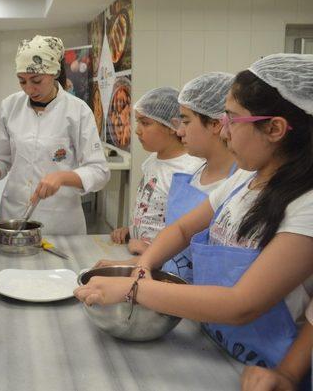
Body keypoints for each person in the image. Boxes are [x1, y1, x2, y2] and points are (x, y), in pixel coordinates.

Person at [77, 54, 313, 368]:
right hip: (214, 344)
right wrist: (145, 265)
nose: (224, 132)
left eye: (231, 119)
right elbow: (183, 229)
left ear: (274, 129)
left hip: (265, 365)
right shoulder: (244, 179)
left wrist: (135, 288)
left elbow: (241, 304)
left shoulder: (305, 205)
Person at [0, 35, 110, 235]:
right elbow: (1, 159)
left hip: (59, 222)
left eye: (36, 80)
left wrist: (62, 177)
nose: (29, 89)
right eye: (22, 81)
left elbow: (99, 172)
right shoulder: (10, 106)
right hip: (14, 218)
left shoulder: (78, 111)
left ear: (54, 73)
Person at [161, 72, 243, 282]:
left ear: (216, 124)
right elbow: (178, 231)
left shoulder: (238, 185)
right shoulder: (193, 174)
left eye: (186, 122)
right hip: (169, 283)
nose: (179, 132)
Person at [110, 87, 202, 254]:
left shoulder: (189, 170)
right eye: (138, 122)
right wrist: (132, 230)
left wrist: (150, 249)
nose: (137, 130)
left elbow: (187, 230)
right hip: (139, 252)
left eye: (145, 123)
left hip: (162, 261)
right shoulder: (153, 160)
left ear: (172, 126)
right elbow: (152, 208)